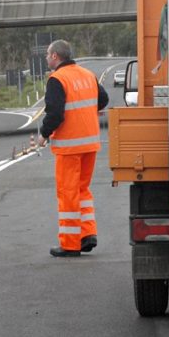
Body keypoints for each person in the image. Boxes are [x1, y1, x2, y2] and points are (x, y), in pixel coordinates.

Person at [37, 40, 109, 257]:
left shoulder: (57, 79)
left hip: (69, 146)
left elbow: (55, 113)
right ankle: (87, 234)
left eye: (48, 55)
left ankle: (70, 243)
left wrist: (43, 134)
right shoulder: (87, 75)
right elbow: (103, 99)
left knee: (68, 192)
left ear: (56, 56)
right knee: (82, 190)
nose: (46, 58)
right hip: (90, 143)